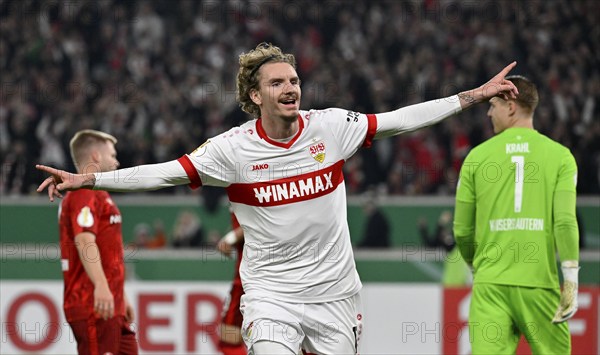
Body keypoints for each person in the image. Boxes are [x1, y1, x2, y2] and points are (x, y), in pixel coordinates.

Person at [37, 43, 518, 354]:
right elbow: (163, 174)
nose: (290, 88)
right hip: (270, 297)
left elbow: (399, 119)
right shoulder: (231, 150)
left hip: (335, 294)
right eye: (277, 83)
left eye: (293, 80)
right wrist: (90, 181)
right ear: (255, 95)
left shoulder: (330, 128)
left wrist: (472, 96)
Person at [453, 76, 580, 354]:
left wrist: (478, 267)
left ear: (511, 106)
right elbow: (565, 221)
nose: (488, 113)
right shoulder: (561, 157)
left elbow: (462, 230)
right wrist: (570, 279)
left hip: (491, 287)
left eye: (493, 105)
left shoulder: (476, 157)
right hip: (538, 284)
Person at [57, 129, 138, 354]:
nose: (117, 161)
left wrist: (122, 296)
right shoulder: (83, 191)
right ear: (95, 156)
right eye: (112, 155)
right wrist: (102, 286)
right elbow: (84, 241)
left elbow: (106, 251)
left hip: (112, 304)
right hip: (92, 303)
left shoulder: (99, 193)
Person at [216, 212, 247, 355]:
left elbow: (262, 219)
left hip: (247, 278)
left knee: (228, 340)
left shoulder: (246, 188)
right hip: (256, 274)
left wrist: (231, 238)